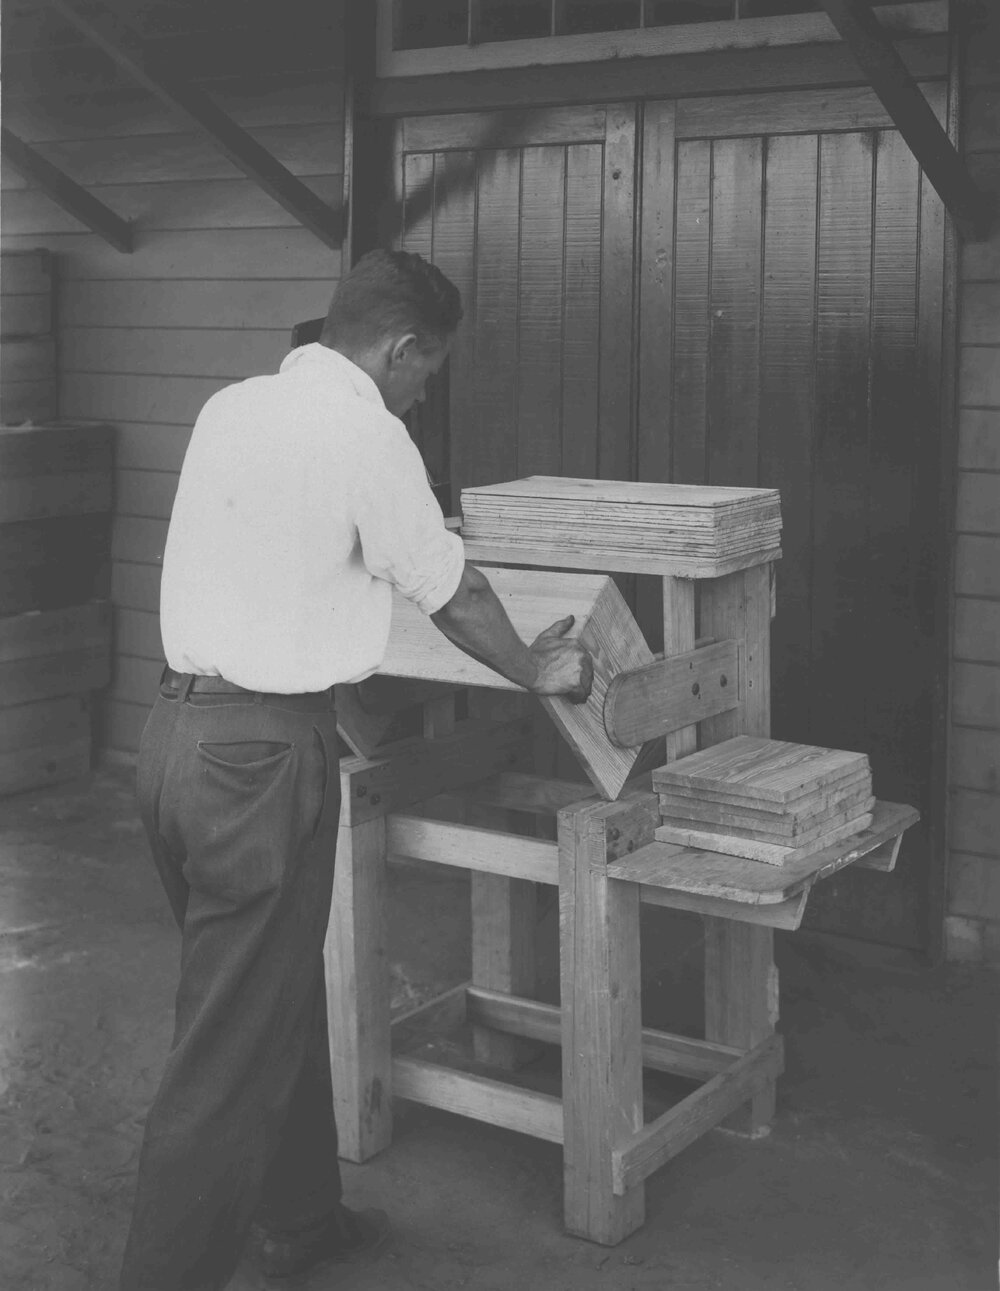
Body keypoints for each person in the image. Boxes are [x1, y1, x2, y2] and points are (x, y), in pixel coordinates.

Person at [119, 249, 593, 1291]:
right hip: (258, 755)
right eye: (430, 371)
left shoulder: (230, 407)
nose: (426, 392)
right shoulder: (367, 436)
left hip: (172, 742)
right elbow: (455, 593)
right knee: (223, 1054)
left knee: (266, 995)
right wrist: (537, 669)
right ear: (400, 347)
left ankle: (299, 1218)